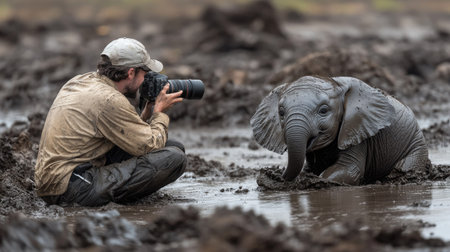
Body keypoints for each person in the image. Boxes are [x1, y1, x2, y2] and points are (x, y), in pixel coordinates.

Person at [34, 37, 187, 206]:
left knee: (172, 145)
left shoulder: (82, 81)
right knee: (174, 158)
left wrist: (147, 112)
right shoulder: (109, 99)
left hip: (56, 179)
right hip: (69, 187)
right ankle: (121, 201)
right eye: (145, 73)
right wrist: (159, 113)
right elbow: (149, 145)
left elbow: (127, 136)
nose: (147, 79)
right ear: (131, 72)